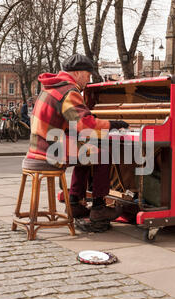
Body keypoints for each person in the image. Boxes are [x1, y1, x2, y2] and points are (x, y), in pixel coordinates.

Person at [24, 54, 129, 228]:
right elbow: (85, 125)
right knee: (103, 154)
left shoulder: (52, 87)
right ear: (79, 73)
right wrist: (114, 124)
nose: (88, 81)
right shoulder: (68, 91)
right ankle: (99, 208)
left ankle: (74, 203)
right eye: (88, 75)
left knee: (87, 152)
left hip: (40, 146)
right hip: (50, 150)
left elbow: (70, 123)